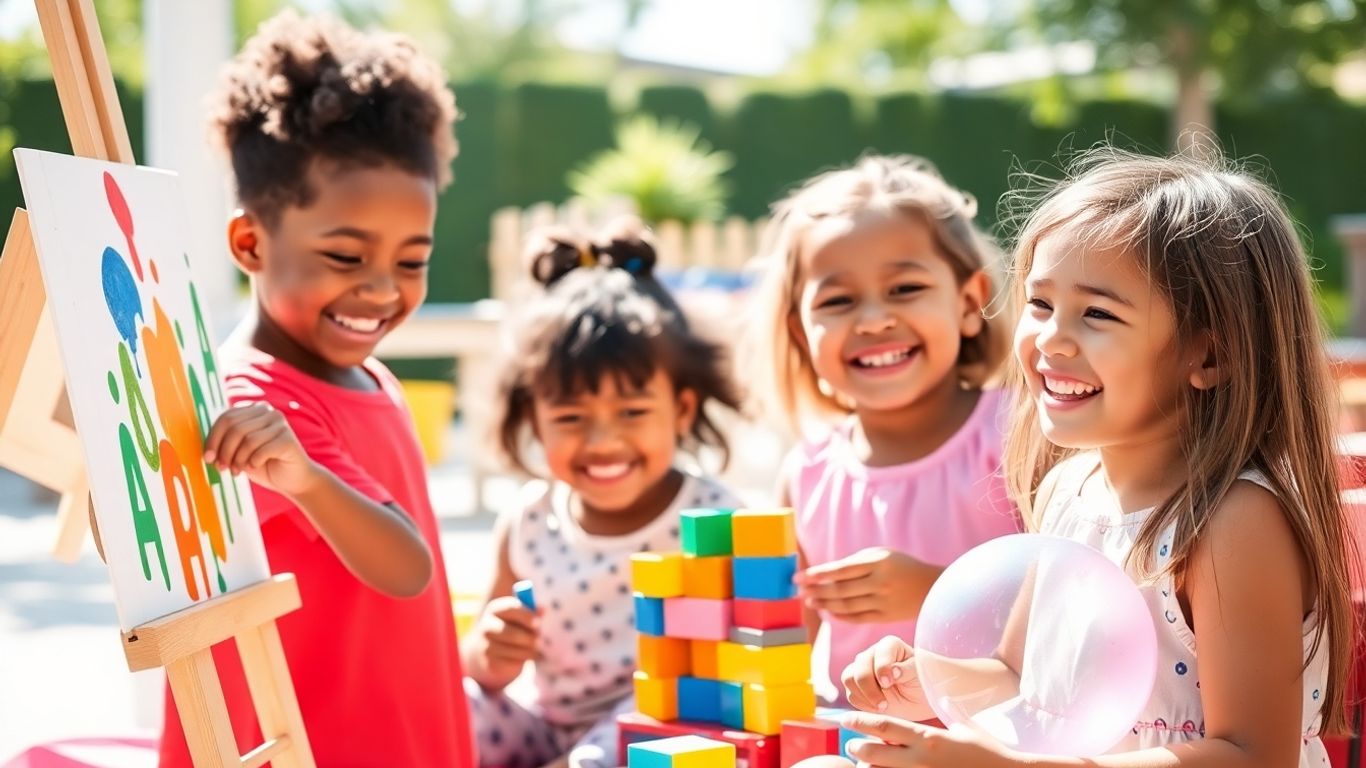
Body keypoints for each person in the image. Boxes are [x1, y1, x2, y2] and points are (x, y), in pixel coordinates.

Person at [838, 146, 1357, 767]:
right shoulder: (1068, 491)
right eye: (1040, 304)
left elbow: (1251, 755)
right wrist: (929, 679)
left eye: (1097, 313)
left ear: (1210, 356)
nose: (1051, 337)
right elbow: (1024, 677)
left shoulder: (1231, 521)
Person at [157, 10, 474, 766]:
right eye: (344, 254)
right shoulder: (244, 402)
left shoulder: (368, 374)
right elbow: (404, 566)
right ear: (250, 243)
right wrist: (303, 476)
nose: (379, 290)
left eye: (410, 261)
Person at [462, 222, 746, 768]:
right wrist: (490, 653)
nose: (603, 441)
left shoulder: (713, 518)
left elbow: (749, 660)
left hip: (661, 734)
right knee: (451, 707)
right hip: (546, 733)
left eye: (633, 413)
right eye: (570, 417)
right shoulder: (529, 520)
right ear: (534, 421)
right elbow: (480, 662)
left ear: (681, 410)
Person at [745, 155, 1020, 699]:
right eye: (838, 301)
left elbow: (1077, 608)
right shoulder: (807, 473)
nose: (873, 319)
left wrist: (936, 591)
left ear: (968, 303)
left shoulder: (1020, 436)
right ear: (801, 334)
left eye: (904, 289)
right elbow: (782, 649)